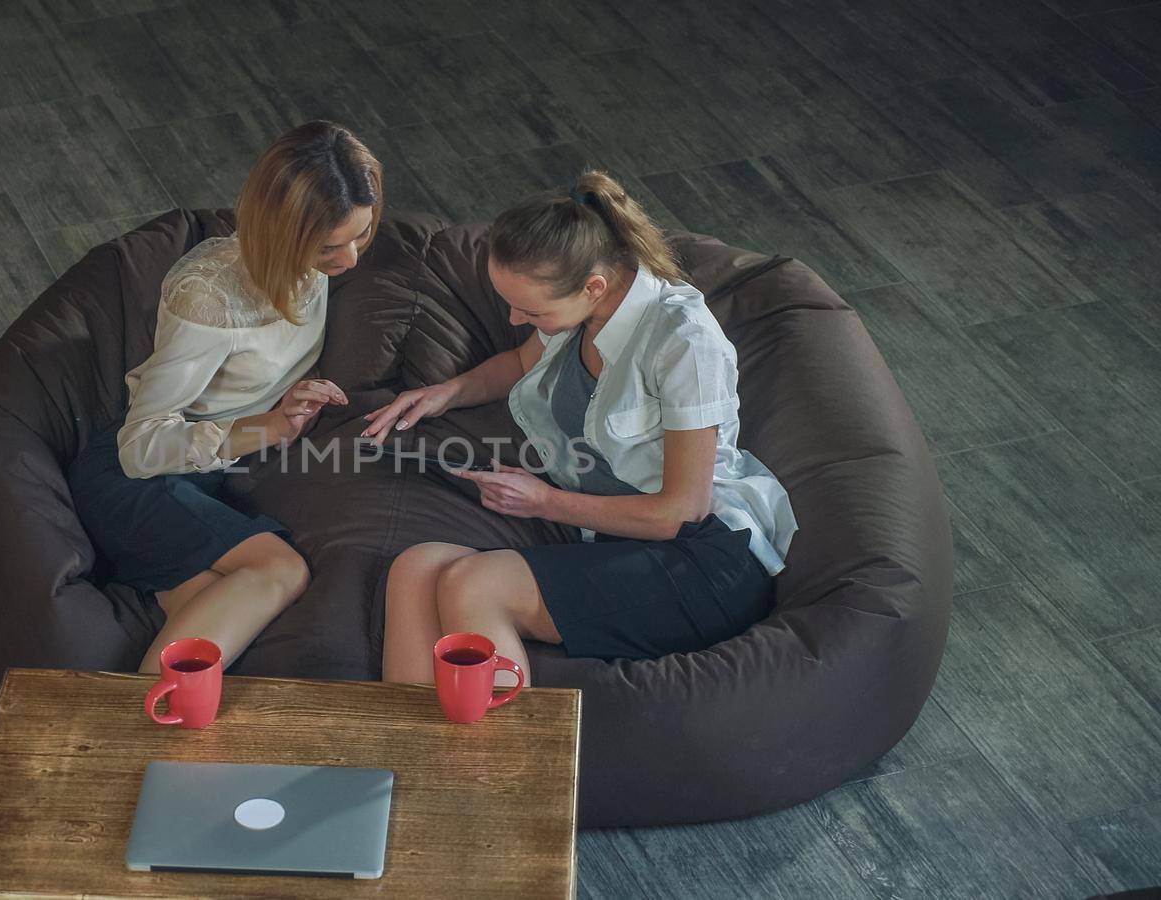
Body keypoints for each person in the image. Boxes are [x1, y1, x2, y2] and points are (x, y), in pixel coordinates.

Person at [371, 171, 796, 685]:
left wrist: (542, 501)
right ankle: (410, 750)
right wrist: (445, 393)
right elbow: (520, 361)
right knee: (415, 568)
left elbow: (679, 514)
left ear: (593, 286)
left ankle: (505, 761)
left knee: (477, 585)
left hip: (702, 560)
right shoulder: (579, 314)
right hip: (613, 539)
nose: (513, 318)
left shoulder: (684, 341)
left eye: (531, 310)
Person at [66, 120, 382, 674]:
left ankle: (151, 744)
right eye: (334, 245)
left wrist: (282, 416)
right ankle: (122, 734)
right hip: (142, 476)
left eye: (362, 234)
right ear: (282, 229)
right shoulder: (209, 296)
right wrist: (271, 428)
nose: (352, 259)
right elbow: (140, 447)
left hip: (206, 482)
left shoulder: (311, 267)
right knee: (282, 571)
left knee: (218, 659)